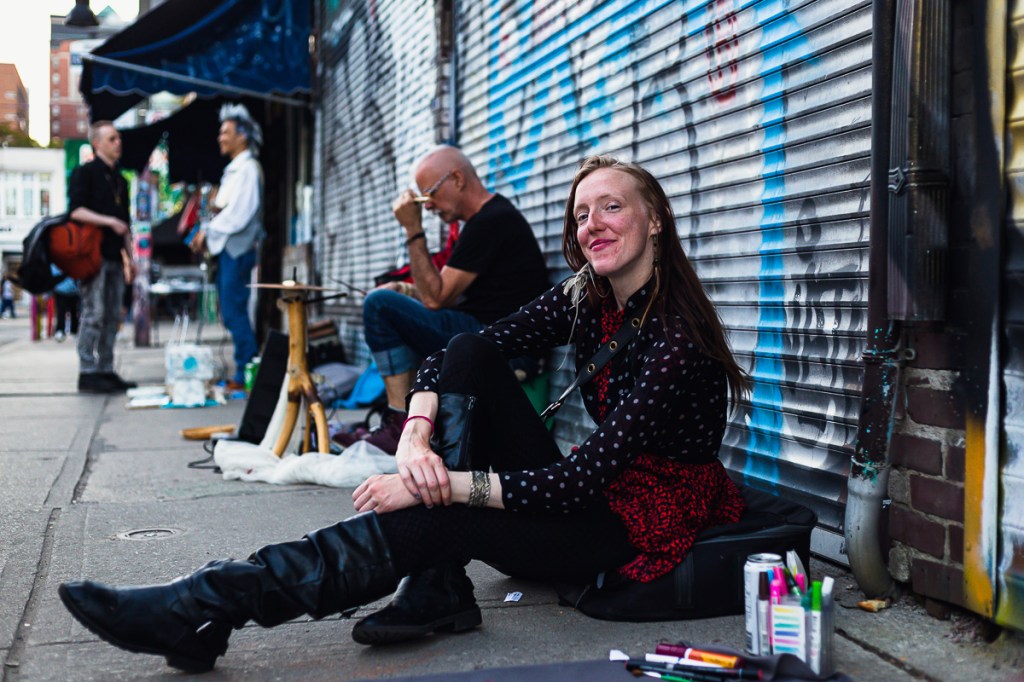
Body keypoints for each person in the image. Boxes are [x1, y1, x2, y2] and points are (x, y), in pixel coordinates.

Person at [58, 156, 750, 672]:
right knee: (473, 352)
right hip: (594, 493)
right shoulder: (587, 296)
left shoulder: (677, 341)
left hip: (633, 526)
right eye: (580, 213)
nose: (592, 225)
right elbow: (463, 349)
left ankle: (209, 601)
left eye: (611, 208)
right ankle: (433, 581)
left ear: (655, 218)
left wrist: (436, 486)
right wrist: (417, 438)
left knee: (441, 512)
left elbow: (577, 485)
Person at [340, 144, 548, 453]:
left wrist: (413, 230)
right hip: (486, 332)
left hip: (496, 342)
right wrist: (406, 290)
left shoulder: (491, 221)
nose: (428, 207)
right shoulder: (485, 221)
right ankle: (406, 418)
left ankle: (399, 422)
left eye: (430, 195)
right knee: (388, 299)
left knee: (378, 306)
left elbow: (436, 298)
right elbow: (444, 291)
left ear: (457, 179)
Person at [190, 104, 263, 391]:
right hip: (229, 249)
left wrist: (208, 231)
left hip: (238, 249)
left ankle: (247, 372)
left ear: (242, 136)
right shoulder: (235, 170)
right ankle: (244, 369)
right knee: (231, 310)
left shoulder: (248, 169)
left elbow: (239, 214)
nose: (221, 137)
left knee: (235, 311)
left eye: (226, 132)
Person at [68, 121, 137, 394]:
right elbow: (75, 212)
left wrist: (131, 258)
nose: (117, 143)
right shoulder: (85, 173)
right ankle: (87, 371)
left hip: (114, 257)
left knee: (111, 315)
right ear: (97, 144)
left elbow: (127, 224)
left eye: (118, 138)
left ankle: (106, 369)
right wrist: (109, 222)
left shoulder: (121, 180)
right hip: (91, 256)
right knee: (94, 313)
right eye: (111, 139)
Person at [51, 265, 80, 341]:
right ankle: (60, 330)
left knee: (74, 312)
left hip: (73, 290)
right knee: (61, 312)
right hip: (61, 290)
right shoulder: (57, 261)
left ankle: (74, 330)